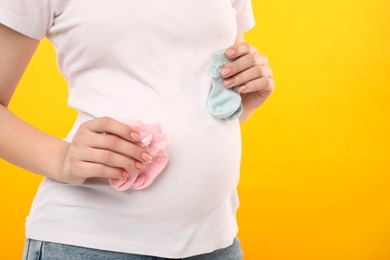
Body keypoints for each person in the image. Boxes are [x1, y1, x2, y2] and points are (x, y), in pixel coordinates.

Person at [0, 1, 274, 259]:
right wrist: (61, 159)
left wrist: (242, 101)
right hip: (91, 244)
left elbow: (209, 98)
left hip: (216, 243)